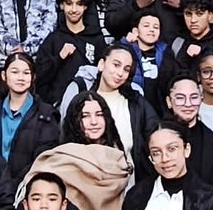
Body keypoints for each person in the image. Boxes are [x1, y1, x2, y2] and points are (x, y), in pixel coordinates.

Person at [61, 44, 159, 180]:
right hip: (84, 181)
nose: (120, 73)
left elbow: (154, 135)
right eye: (116, 65)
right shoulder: (82, 98)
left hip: (128, 185)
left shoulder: (136, 102)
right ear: (102, 64)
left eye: (126, 69)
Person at [0, 51, 61, 182]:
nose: (21, 77)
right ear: (4, 75)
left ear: (33, 77)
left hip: (27, 185)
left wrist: (16, 185)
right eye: (15, 72)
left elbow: (44, 157)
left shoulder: (46, 114)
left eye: (26, 73)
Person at [34, 0, 106, 105]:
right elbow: (39, 76)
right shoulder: (53, 40)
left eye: (79, 4)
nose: (74, 9)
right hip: (57, 108)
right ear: (62, 5)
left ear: (85, 7)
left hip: (88, 106)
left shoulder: (96, 39)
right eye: (69, 3)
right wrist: (59, 58)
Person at [165, 74, 213, 186]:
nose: (188, 104)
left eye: (194, 97)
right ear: (169, 102)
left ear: (201, 99)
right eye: (180, 98)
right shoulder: (155, 141)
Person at [122, 11, 170, 112]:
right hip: (132, 108)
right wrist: (125, 44)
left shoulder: (166, 51)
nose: (151, 30)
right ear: (136, 30)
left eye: (156, 27)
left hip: (159, 110)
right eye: (146, 26)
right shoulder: (126, 49)